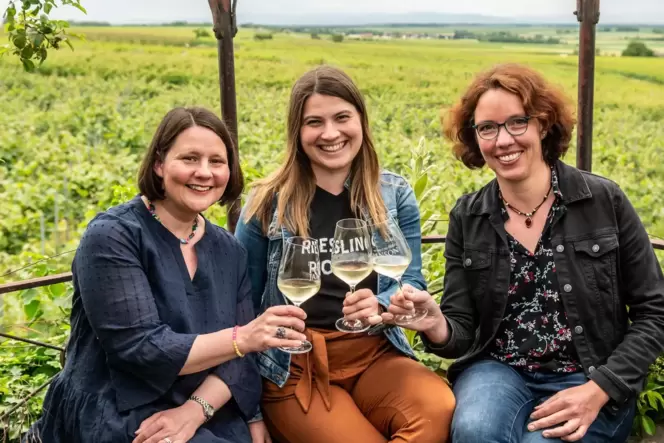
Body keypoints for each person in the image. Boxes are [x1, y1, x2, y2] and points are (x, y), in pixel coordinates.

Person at [383, 63, 664, 443]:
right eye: (488, 128)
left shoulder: (603, 201)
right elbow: (461, 332)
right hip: (496, 370)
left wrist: (600, 389)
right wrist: (435, 323)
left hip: (588, 374)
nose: (503, 141)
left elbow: (655, 312)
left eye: (517, 122)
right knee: (475, 431)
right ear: (475, 138)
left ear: (543, 125)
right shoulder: (469, 216)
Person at [25, 107, 308, 443]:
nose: (204, 172)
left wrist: (194, 410)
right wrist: (241, 339)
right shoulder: (113, 236)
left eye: (217, 162)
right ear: (159, 164)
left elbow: (239, 361)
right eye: (189, 158)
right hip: (121, 410)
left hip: (203, 409)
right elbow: (141, 348)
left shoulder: (229, 250)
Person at [235, 65, 455, 443]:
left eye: (342, 118)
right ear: (297, 132)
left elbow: (411, 279)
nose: (331, 133)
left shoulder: (393, 194)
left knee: (437, 410)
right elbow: (239, 305)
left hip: (374, 352)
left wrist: (383, 306)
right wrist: (249, 410)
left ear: (361, 122)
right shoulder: (266, 203)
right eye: (314, 122)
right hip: (296, 364)